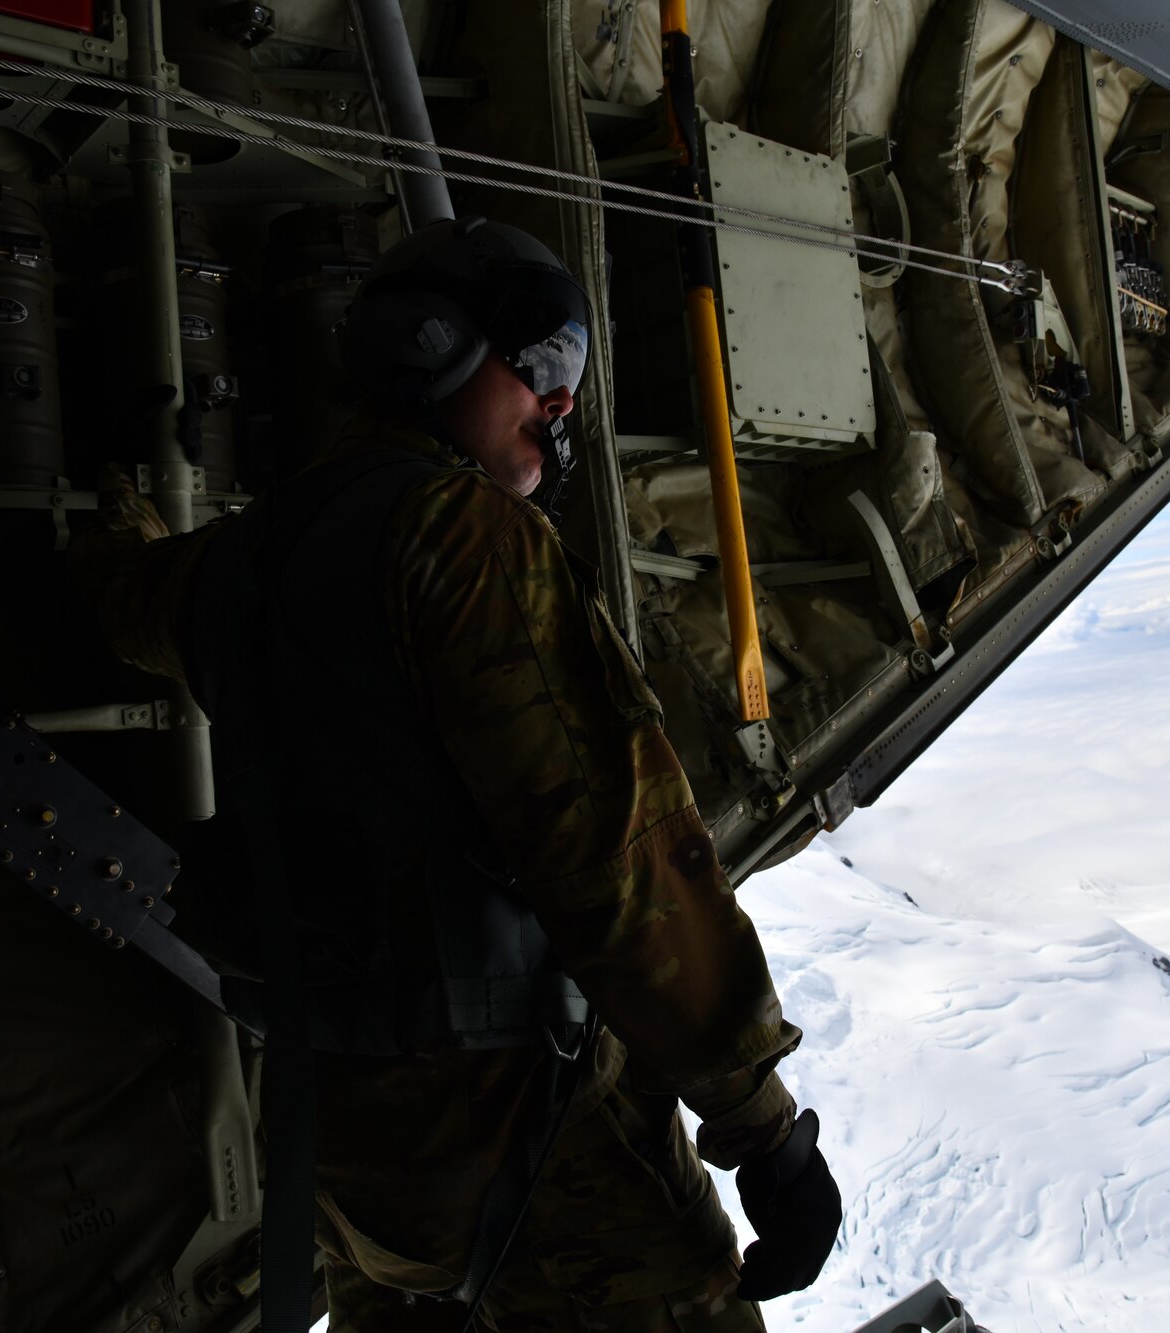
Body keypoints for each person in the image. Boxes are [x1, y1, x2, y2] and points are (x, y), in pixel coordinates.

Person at [79, 215, 841, 1331]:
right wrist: (761, 1126)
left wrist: (120, 522)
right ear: (424, 344)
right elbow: (613, 856)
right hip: (522, 1131)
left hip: (350, 1159)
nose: (561, 399)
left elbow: (124, 599)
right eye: (539, 363)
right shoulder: (460, 538)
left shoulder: (234, 566)